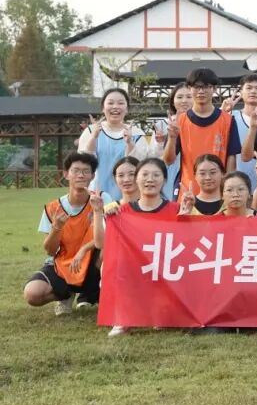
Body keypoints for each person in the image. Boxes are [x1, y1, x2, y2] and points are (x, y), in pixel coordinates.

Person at [103, 157, 177, 337]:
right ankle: (123, 318)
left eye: (156, 175)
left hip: (166, 272)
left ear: (164, 180)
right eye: (145, 175)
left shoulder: (176, 210)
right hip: (133, 272)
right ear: (137, 179)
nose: (150, 179)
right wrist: (102, 214)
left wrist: (187, 215)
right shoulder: (120, 212)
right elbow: (103, 245)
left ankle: (161, 313)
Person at [24, 152, 103, 314]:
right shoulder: (53, 208)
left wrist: (83, 250)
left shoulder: (101, 199)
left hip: (92, 262)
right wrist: (56, 228)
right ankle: (65, 294)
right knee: (33, 294)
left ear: (93, 175)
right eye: (76, 170)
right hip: (63, 263)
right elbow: (50, 251)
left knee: (108, 250)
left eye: (86, 171)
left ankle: (96, 294)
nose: (81, 175)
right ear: (66, 174)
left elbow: (107, 237)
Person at [163, 68, 240, 192]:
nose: (201, 91)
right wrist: (172, 138)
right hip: (188, 191)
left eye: (206, 87)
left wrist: (227, 188)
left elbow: (231, 159)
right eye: (197, 87)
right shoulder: (179, 121)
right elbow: (168, 160)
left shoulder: (228, 120)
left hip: (218, 193)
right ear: (190, 88)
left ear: (214, 89)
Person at [78, 87, 160, 202]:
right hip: (97, 195)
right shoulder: (91, 131)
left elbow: (140, 165)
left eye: (121, 103)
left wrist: (130, 143)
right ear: (103, 108)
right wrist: (94, 138)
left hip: (130, 197)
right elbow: (83, 162)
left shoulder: (136, 133)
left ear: (127, 109)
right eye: (110, 103)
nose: (115, 106)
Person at [230, 73, 257, 191]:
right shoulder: (230, 118)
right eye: (249, 88)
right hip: (236, 186)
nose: (253, 91)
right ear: (241, 93)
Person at [160, 82, 193, 201]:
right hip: (170, 175)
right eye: (179, 97)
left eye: (189, 97)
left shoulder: (202, 122)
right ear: (173, 101)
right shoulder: (163, 124)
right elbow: (163, 158)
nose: (184, 101)